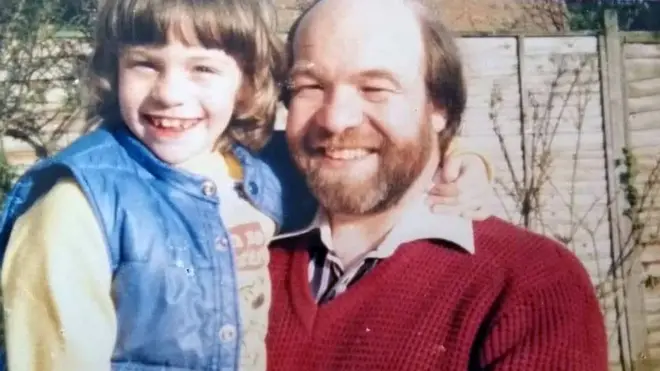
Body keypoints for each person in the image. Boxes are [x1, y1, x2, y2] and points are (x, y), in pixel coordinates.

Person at [0, 0, 493, 370]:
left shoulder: (259, 171)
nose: (170, 94)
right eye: (145, 64)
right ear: (114, 70)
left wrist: (460, 160)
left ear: (247, 82)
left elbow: (360, 151)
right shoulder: (75, 207)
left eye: (203, 69)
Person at [266, 0, 609, 370]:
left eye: (374, 88)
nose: (335, 118)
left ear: (439, 106)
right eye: (310, 86)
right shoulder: (239, 253)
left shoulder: (529, 285)